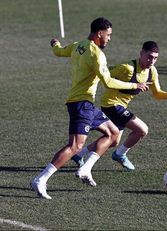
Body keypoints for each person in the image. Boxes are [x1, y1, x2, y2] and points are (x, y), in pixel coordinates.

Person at [30, 17, 149, 199]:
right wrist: (134, 86)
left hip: (85, 104)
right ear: (99, 33)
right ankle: (41, 179)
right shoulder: (96, 54)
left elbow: (59, 52)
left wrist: (55, 43)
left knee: (113, 133)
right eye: (108, 35)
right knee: (75, 146)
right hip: (81, 104)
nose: (109, 39)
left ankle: (85, 169)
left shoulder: (79, 45)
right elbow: (108, 82)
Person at [72, 41, 167, 172]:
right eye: (149, 56)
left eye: (155, 58)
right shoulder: (127, 68)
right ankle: (120, 155)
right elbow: (104, 74)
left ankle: (79, 154)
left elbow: (157, 94)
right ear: (141, 53)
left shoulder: (152, 72)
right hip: (110, 105)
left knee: (113, 141)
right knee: (142, 130)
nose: (151, 61)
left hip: (120, 107)